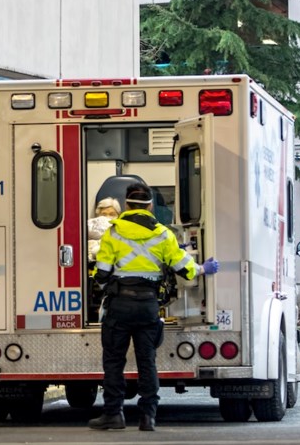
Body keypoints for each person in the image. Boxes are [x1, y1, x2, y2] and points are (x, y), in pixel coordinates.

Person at [88, 182, 219, 432]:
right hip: (148, 306)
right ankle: (148, 416)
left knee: (114, 362)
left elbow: (102, 274)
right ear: (150, 206)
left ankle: (113, 414)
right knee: (147, 361)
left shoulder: (112, 234)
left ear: (127, 205)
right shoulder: (163, 234)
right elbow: (185, 268)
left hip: (119, 306)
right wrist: (204, 268)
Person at [87, 197, 121, 262]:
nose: (107, 218)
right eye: (104, 214)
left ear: (118, 216)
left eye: (112, 214)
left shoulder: (122, 228)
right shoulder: (90, 224)